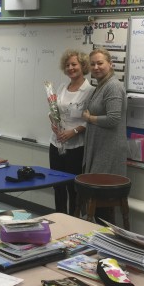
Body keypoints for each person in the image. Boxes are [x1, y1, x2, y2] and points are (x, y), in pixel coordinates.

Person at [82, 48, 128, 222]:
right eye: (92, 64)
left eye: (100, 63)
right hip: (99, 149)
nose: (96, 67)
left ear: (110, 64)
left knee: (103, 203)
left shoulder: (113, 86)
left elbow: (113, 119)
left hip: (108, 151)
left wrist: (90, 118)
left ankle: (106, 236)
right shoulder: (101, 85)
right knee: (98, 202)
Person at [49, 50, 94, 215]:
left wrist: (74, 131)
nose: (70, 68)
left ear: (83, 66)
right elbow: (54, 111)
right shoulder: (62, 87)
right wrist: (53, 122)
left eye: (74, 64)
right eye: (67, 65)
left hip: (76, 147)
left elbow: (91, 120)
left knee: (73, 188)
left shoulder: (90, 91)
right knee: (57, 186)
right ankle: (59, 218)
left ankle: (73, 221)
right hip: (56, 144)